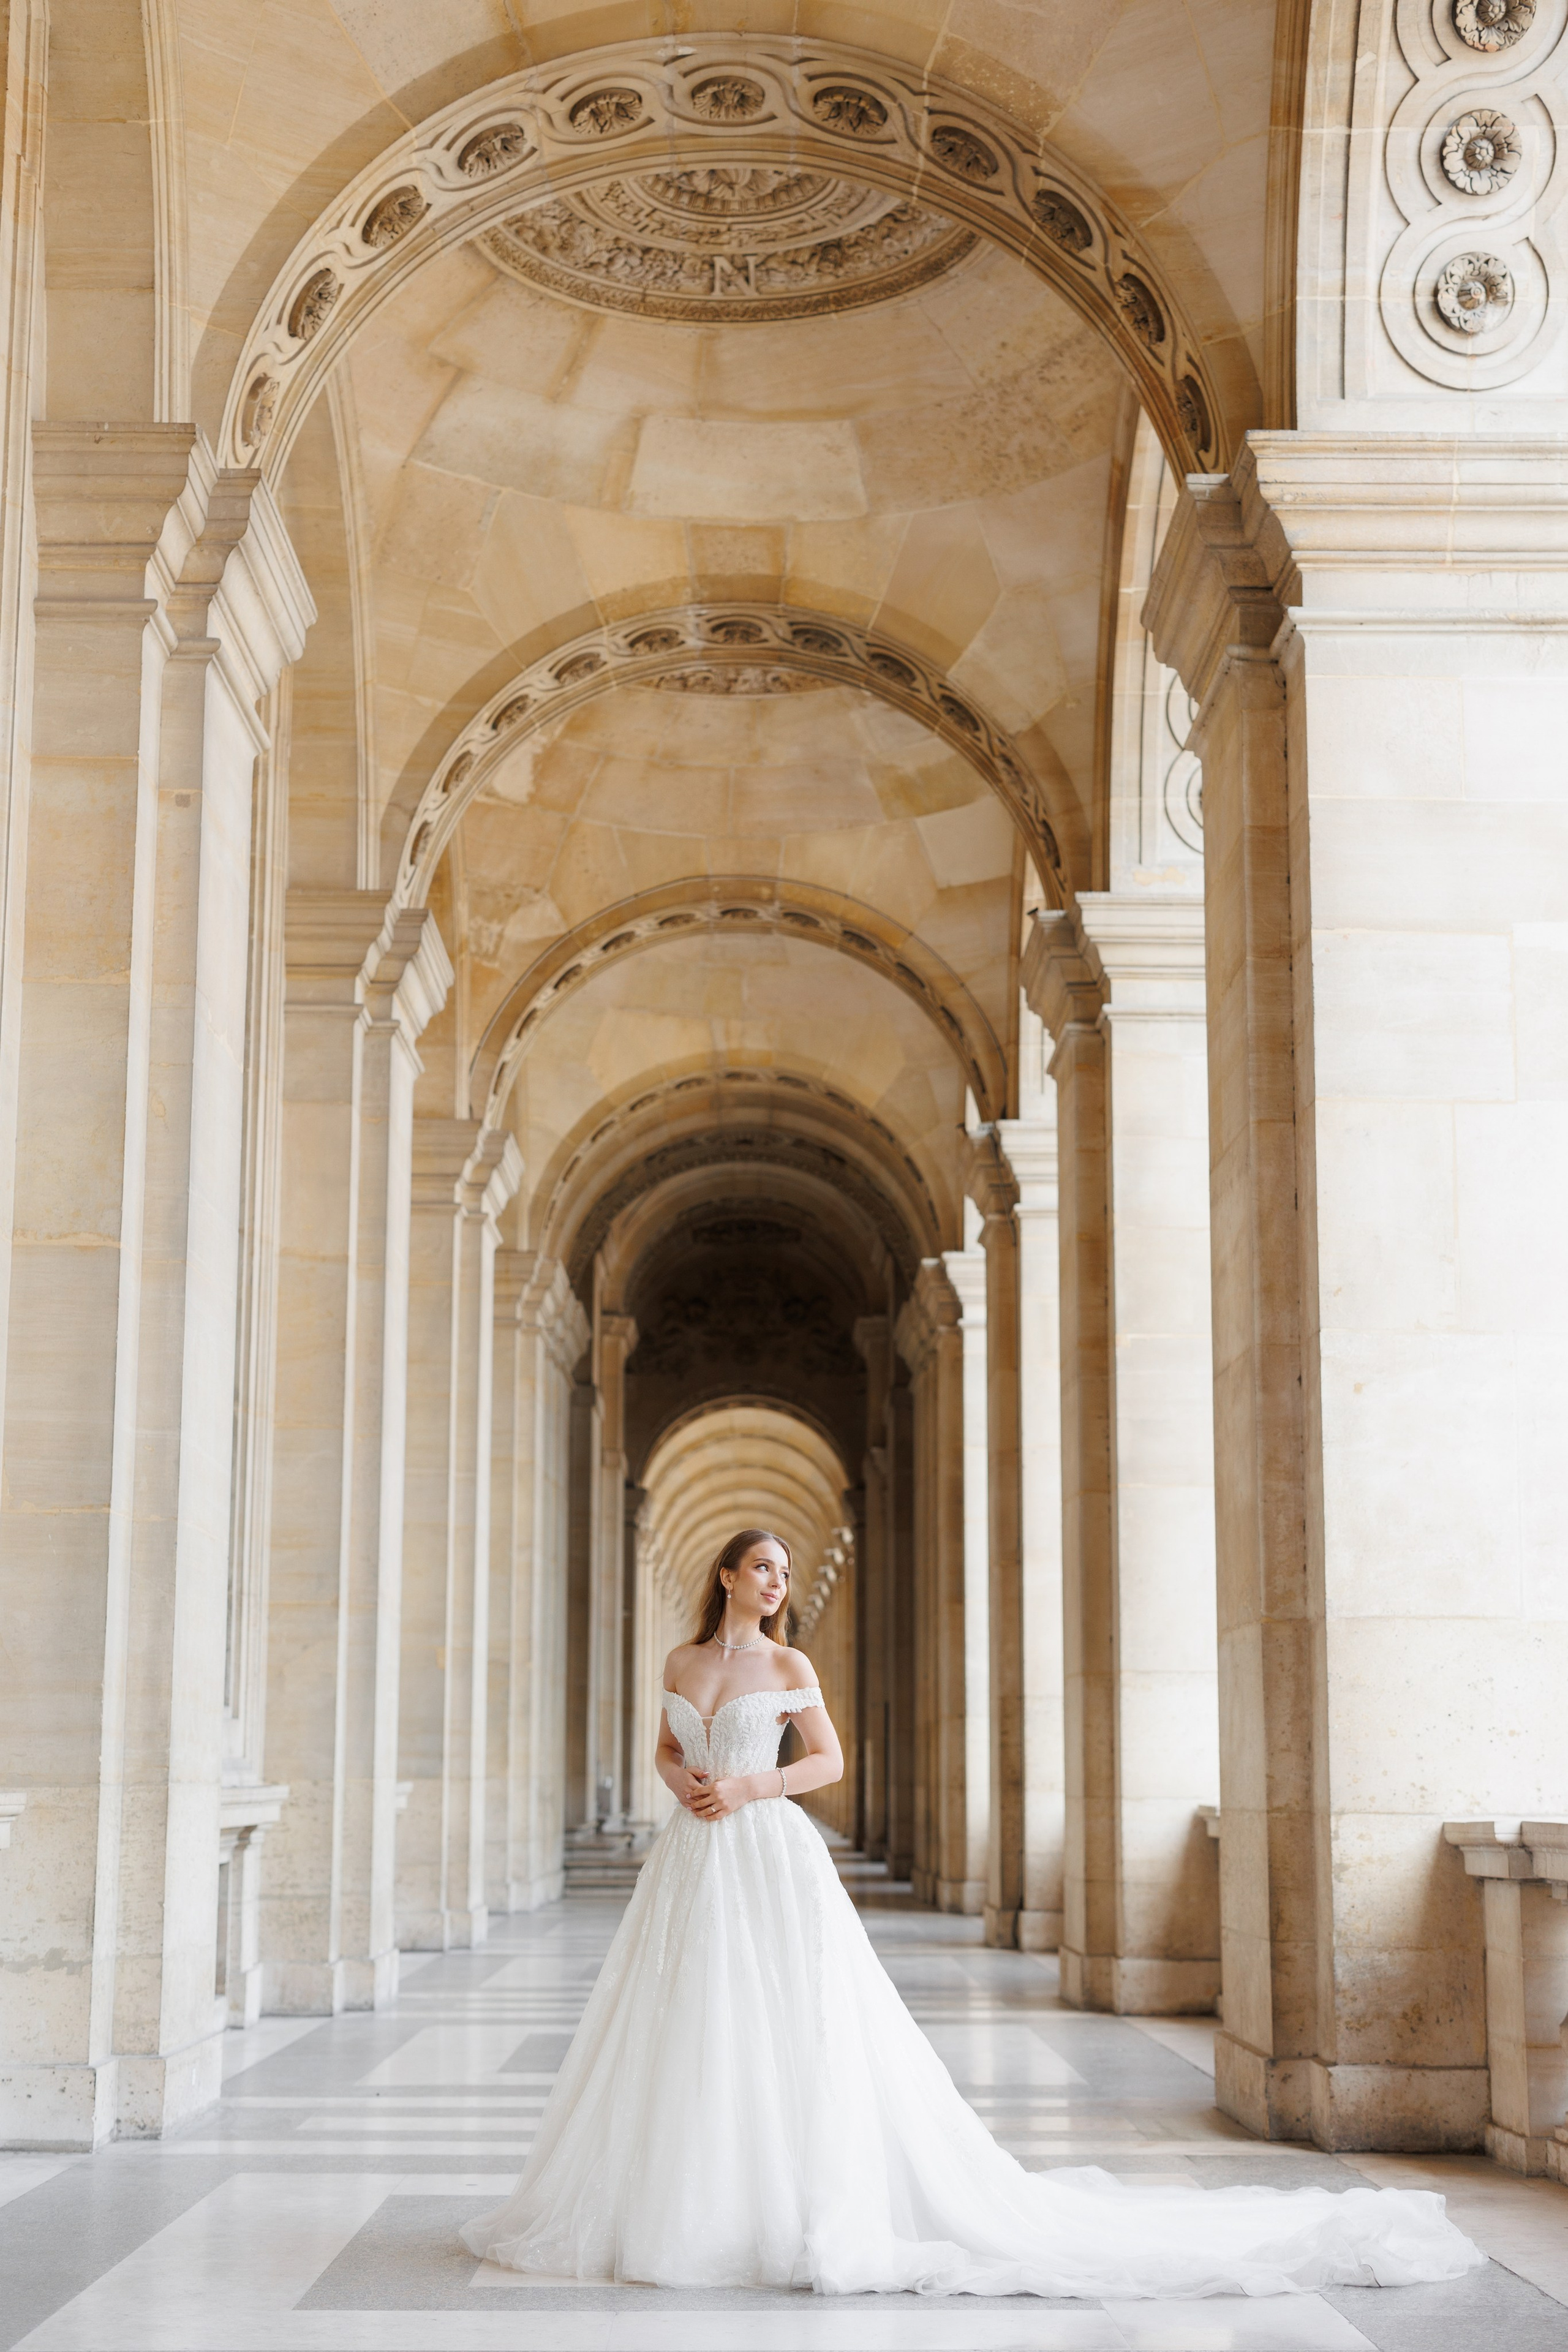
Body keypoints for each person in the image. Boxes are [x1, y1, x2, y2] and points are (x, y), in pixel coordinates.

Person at [461, 1528, 1484, 2299]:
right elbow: (664, 1744)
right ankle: (690, 2197)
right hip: (692, 1856)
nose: (777, 1583)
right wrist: (683, 1781)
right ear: (726, 1575)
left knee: (785, 2015)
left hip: (765, 1848)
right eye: (762, 1567)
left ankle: (787, 2197)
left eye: (786, 1572)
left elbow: (828, 1761)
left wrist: (750, 1787)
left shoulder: (789, 1667)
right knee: (688, 2014)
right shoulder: (684, 1664)